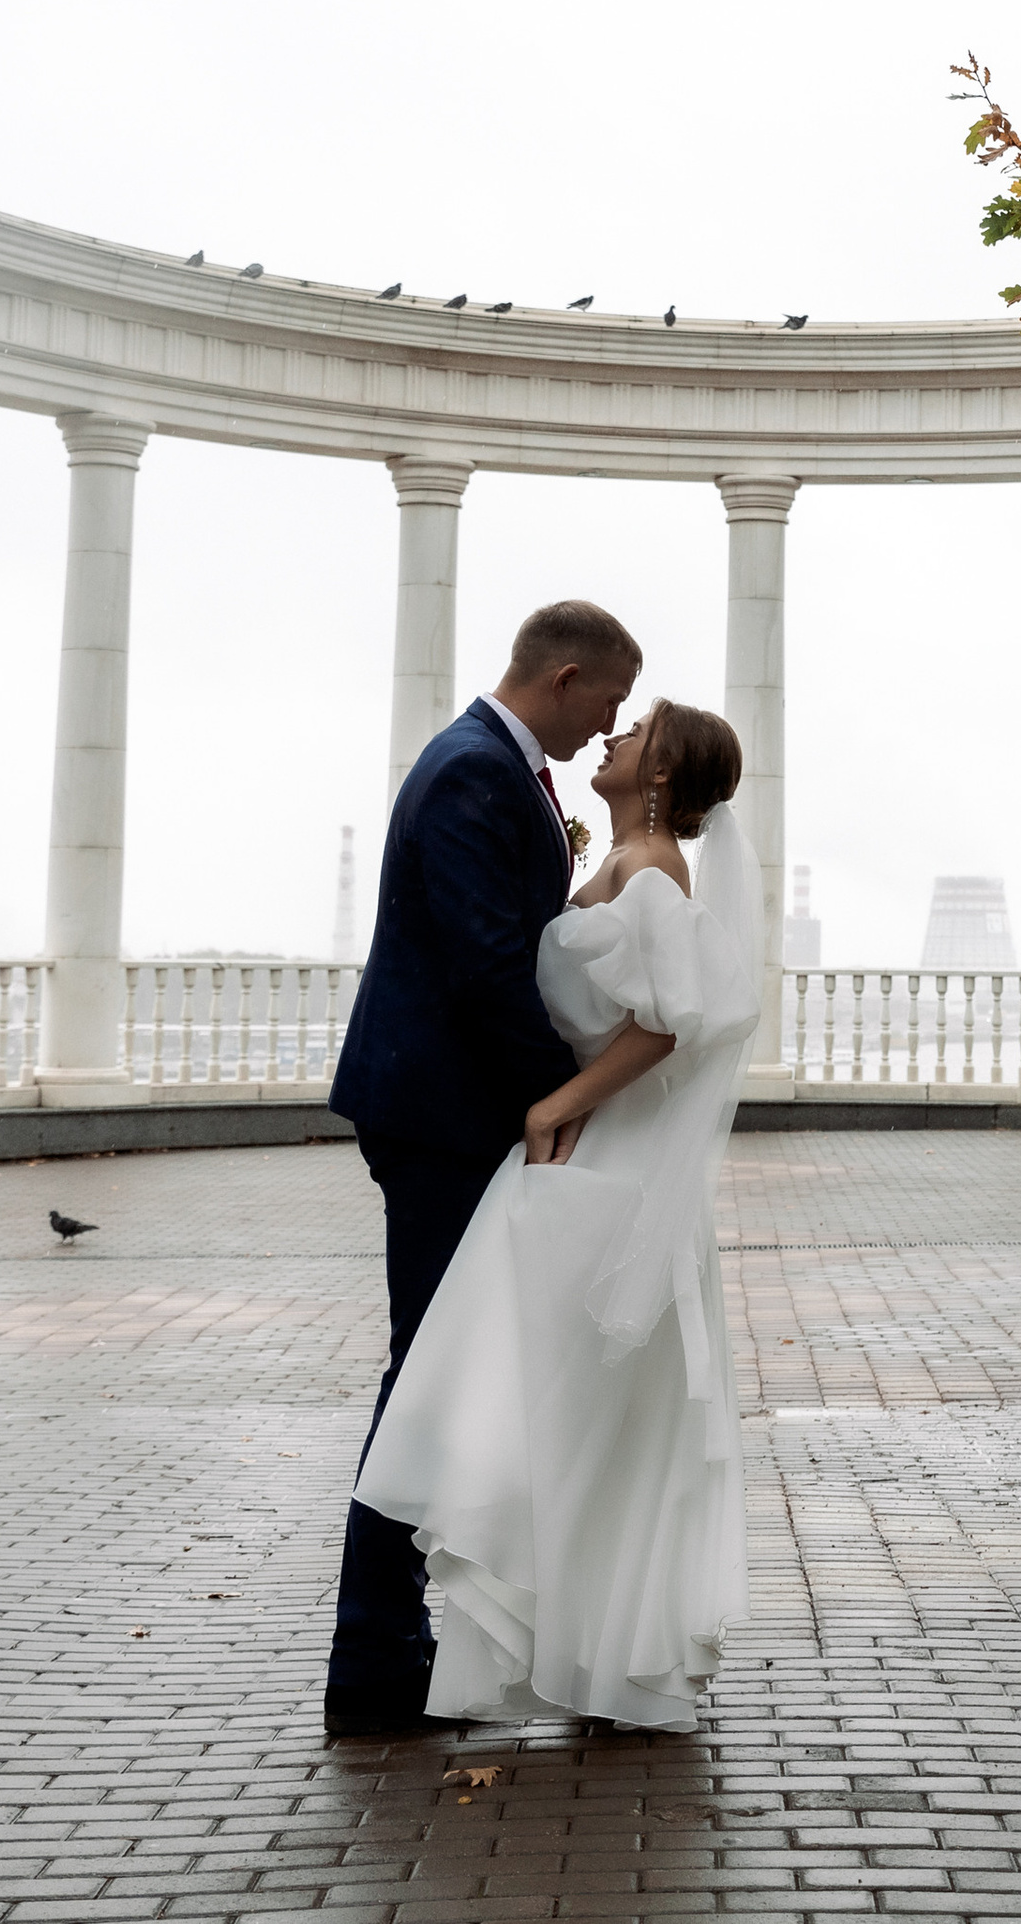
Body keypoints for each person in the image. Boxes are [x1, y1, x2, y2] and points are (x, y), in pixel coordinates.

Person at [354, 697, 758, 1732]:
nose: (615, 739)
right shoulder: (628, 858)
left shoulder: (652, 865)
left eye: (637, 733)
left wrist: (557, 1101)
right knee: (576, 1415)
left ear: (661, 773)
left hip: (603, 1158)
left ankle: (600, 1652)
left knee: (582, 1413)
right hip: (589, 1155)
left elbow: (671, 1021)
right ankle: (591, 1653)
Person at [322, 598, 642, 1738]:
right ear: (563, 677)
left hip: (448, 1109)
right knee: (427, 1376)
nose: (610, 725)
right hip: (444, 1114)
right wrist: (556, 1098)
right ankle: (370, 1657)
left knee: (437, 1370)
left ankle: (389, 1648)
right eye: (606, 700)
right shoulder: (471, 769)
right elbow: (484, 964)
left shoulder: (492, 766)